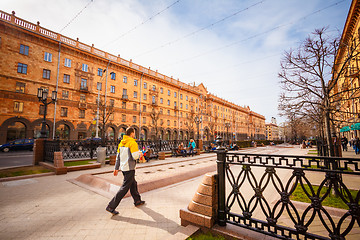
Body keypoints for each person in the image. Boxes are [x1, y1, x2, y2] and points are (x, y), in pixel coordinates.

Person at [106, 127, 145, 215]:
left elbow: (118, 157)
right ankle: (111, 206)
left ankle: (137, 200)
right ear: (131, 133)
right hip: (130, 168)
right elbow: (135, 156)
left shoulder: (121, 143)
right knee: (124, 188)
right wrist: (141, 153)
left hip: (124, 168)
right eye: (134, 133)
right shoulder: (132, 142)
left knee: (133, 183)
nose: (134, 135)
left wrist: (116, 168)